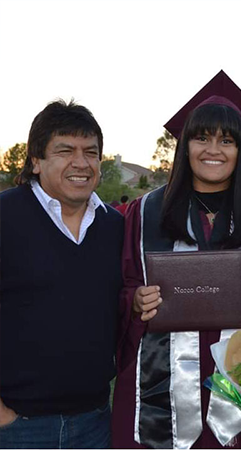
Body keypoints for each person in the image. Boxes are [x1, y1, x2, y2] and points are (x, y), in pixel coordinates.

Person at [111, 71, 241, 448]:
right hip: (160, 390)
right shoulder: (145, 213)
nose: (213, 149)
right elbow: (119, 287)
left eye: (227, 140)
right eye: (202, 137)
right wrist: (135, 300)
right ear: (185, 145)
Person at [0, 100, 123, 448]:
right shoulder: (5, 218)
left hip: (95, 423)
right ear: (36, 161)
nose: (81, 163)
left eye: (91, 152)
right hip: (16, 428)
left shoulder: (115, 226)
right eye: (65, 150)